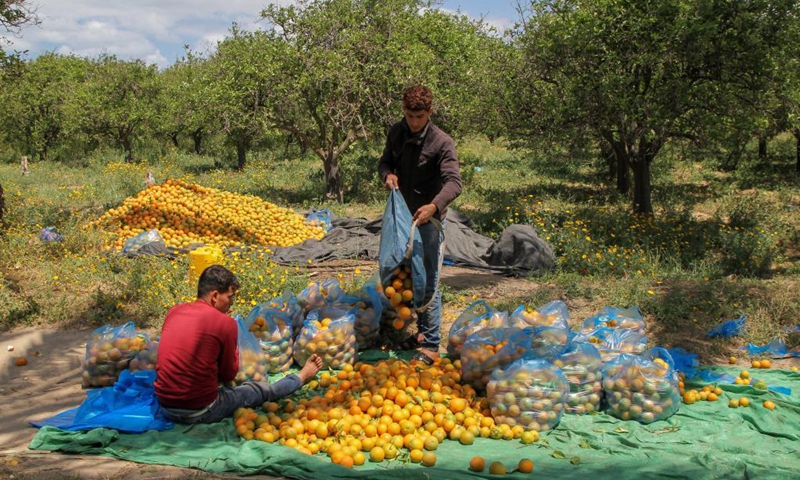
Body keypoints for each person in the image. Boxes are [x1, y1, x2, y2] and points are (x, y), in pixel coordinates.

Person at [155, 265, 322, 423]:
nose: (232, 303)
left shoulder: (174, 311)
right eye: (230, 297)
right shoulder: (225, 323)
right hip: (201, 410)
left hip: (165, 406)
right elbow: (229, 375)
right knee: (259, 390)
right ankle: (300, 377)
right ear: (214, 296)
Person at [377, 85, 462, 365]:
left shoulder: (441, 142)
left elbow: (454, 183)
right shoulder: (396, 132)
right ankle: (421, 334)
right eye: (409, 115)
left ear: (429, 112)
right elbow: (385, 162)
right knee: (402, 274)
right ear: (403, 110)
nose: (414, 122)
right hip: (402, 218)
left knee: (428, 281)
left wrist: (434, 206)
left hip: (429, 219)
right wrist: (388, 175)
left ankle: (432, 344)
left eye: (419, 116)